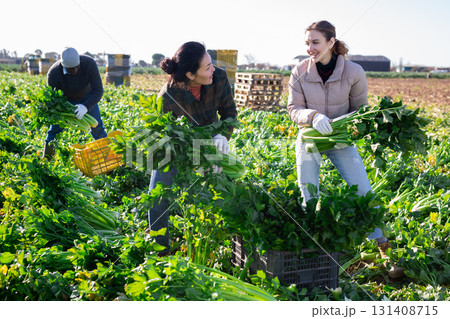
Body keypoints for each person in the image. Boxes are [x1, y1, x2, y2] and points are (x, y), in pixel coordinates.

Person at [287, 20, 403, 278]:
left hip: (340, 139)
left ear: (331, 42)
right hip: (310, 139)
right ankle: (313, 250)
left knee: (363, 190)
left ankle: (383, 249)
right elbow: (293, 109)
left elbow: (360, 112)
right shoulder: (299, 71)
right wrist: (313, 116)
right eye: (307, 43)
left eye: (315, 42)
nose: (310, 48)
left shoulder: (353, 72)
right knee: (309, 192)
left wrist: (343, 126)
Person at [148, 41, 237, 255]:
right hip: (175, 148)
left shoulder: (219, 78)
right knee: (157, 197)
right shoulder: (168, 97)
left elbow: (229, 113)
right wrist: (194, 157)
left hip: (212, 141)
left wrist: (222, 136)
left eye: (211, 63)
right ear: (190, 74)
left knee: (227, 192)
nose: (213, 69)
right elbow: (165, 137)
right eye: (207, 67)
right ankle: (160, 251)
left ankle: (226, 248)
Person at [42, 47, 107, 159]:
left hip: (87, 98)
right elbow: (53, 99)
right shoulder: (54, 74)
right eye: (71, 69)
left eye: (77, 67)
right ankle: (47, 160)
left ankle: (107, 156)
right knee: (54, 131)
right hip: (65, 102)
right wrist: (65, 110)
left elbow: (98, 90)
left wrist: (86, 106)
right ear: (64, 66)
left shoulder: (88, 64)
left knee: (98, 128)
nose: (75, 70)